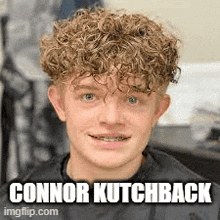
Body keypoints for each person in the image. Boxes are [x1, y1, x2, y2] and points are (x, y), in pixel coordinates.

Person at [0, 7, 219, 220]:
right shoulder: (15, 208)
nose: (111, 118)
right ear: (59, 104)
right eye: (89, 97)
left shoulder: (206, 210)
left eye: (132, 99)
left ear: (158, 110)